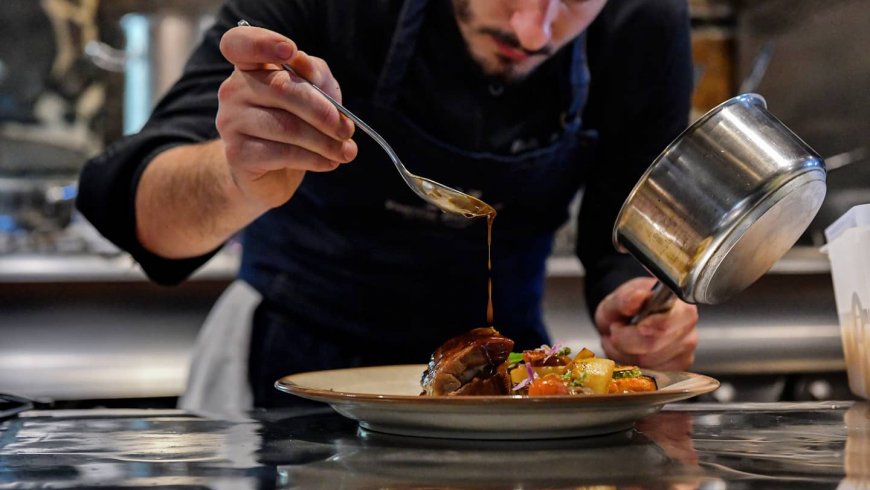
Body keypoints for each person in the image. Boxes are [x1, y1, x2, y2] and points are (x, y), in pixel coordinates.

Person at [77, 0, 699, 412]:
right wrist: (238, 175)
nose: (533, 30)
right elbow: (131, 207)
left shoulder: (644, 20)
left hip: (508, 380)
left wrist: (635, 304)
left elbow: (624, 231)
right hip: (282, 369)